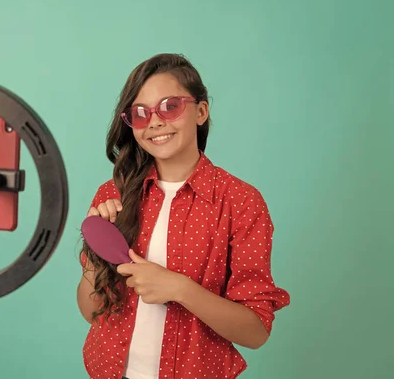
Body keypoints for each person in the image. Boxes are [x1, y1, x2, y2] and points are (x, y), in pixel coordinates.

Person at [76, 53, 290, 379]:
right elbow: (91, 313)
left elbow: (255, 331)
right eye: (141, 113)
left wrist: (179, 288)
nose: (156, 122)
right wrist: (96, 250)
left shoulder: (241, 203)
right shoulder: (113, 193)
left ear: (201, 111)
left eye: (170, 106)